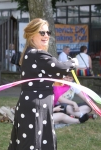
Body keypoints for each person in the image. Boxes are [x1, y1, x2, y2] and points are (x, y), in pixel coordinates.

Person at [8, 18, 76, 150]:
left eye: (48, 32)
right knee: (34, 142)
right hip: (36, 105)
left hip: (36, 104)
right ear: (32, 34)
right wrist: (74, 62)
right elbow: (60, 67)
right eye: (42, 33)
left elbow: (52, 74)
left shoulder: (30, 53)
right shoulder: (36, 54)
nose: (46, 36)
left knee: (32, 140)